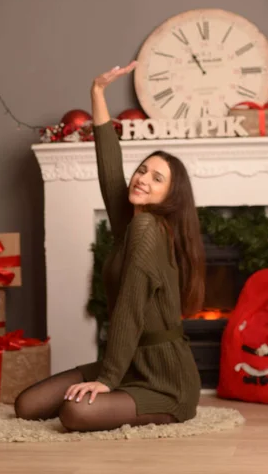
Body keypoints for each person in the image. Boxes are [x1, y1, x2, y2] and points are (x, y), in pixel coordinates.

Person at [15, 61, 206, 432]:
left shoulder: (149, 230)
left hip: (164, 378)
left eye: (157, 178)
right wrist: (97, 94)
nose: (143, 179)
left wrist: (108, 378)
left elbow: (132, 308)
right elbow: (110, 169)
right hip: (130, 361)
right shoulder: (132, 224)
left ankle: (152, 403)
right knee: (28, 405)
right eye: (143, 170)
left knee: (76, 413)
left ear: (171, 194)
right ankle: (115, 390)